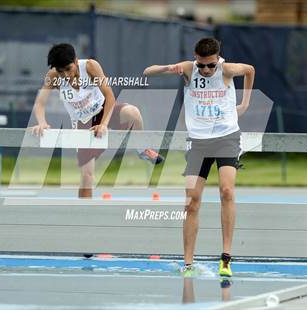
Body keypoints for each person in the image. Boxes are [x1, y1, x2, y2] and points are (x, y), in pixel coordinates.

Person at [143, 38, 255, 277]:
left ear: (218, 59)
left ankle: (225, 258)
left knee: (227, 191)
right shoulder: (188, 68)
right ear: (195, 59)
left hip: (226, 137)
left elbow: (250, 70)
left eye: (210, 66)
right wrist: (168, 69)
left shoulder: (227, 69)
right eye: (201, 65)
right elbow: (148, 72)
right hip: (198, 141)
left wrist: (244, 103)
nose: (205, 70)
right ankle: (188, 264)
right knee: (192, 201)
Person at [32, 43, 164, 198]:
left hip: (104, 110)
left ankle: (142, 149)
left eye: (68, 69)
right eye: (61, 72)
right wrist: (41, 122)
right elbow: (40, 103)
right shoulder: (53, 76)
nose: (66, 76)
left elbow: (109, 95)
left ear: (75, 61)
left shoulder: (90, 66)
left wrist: (103, 124)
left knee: (133, 113)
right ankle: (84, 213)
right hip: (82, 123)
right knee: (87, 176)